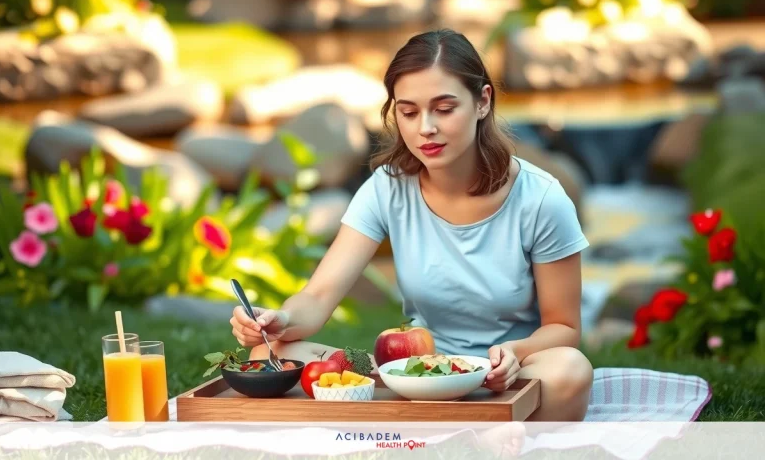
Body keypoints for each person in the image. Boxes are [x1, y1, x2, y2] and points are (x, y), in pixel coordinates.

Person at [230, 29, 593, 421]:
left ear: (483, 102)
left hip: (505, 379)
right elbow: (318, 298)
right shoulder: (387, 188)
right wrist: (279, 321)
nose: (425, 128)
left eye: (444, 108)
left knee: (570, 369)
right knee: (278, 353)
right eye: (409, 112)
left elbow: (564, 327)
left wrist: (517, 354)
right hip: (416, 376)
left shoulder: (541, 199)